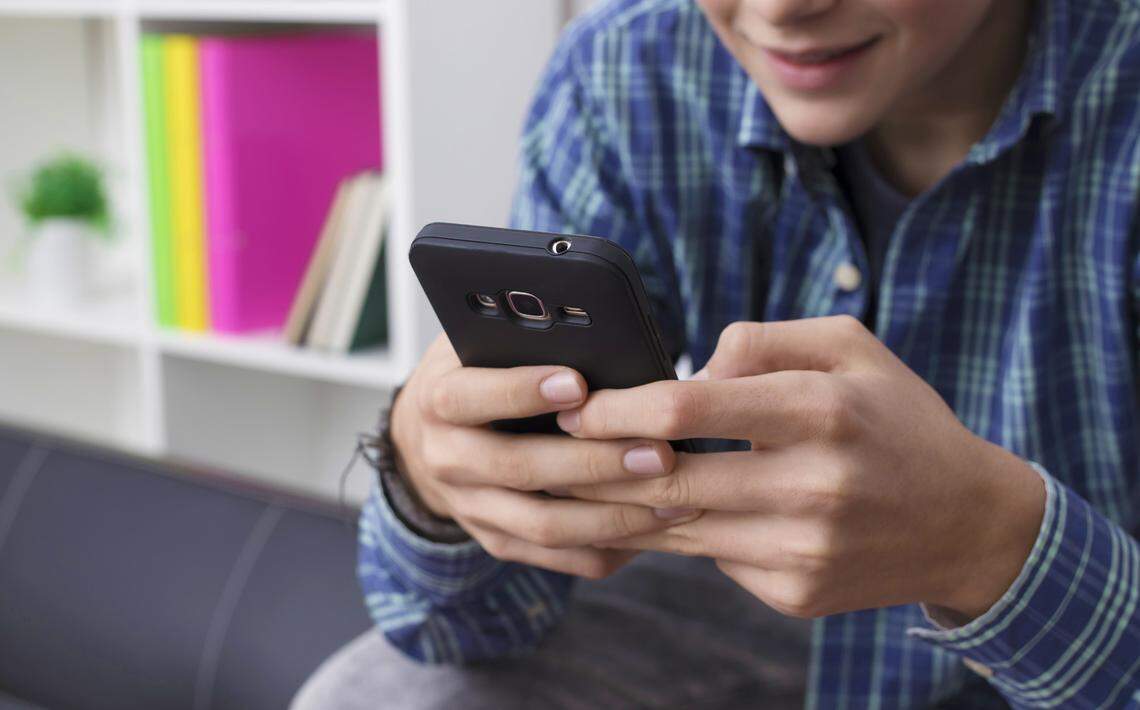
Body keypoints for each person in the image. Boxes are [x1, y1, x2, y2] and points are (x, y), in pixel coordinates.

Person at [293, 0, 1140, 706]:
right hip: (745, 625)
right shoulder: (628, 72)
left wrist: (988, 545)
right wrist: (431, 478)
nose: (780, 10)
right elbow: (459, 629)